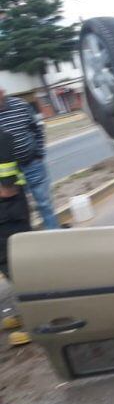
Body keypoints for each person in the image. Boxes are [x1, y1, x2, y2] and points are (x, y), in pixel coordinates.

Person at [0, 86, 59, 229]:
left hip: (33, 164)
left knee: (44, 204)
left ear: (2, 92)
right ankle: (28, 242)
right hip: (10, 173)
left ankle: (54, 236)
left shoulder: (20, 105)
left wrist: (39, 153)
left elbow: (37, 128)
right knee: (20, 209)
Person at [0, 126, 32, 346]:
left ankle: (38, 321)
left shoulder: (2, 139)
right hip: (6, 212)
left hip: (8, 211)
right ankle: (26, 313)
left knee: (19, 266)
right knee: (8, 265)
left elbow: (7, 189)